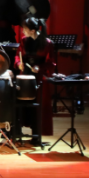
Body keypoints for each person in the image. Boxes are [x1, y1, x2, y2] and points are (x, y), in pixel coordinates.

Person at [16, 16, 56, 144]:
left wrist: (40, 67)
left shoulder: (48, 43)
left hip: (39, 78)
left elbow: (51, 63)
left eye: (25, 29)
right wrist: (19, 64)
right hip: (25, 76)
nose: (23, 31)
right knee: (21, 105)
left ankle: (36, 136)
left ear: (32, 30)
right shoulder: (24, 41)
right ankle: (17, 133)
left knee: (38, 107)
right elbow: (18, 56)